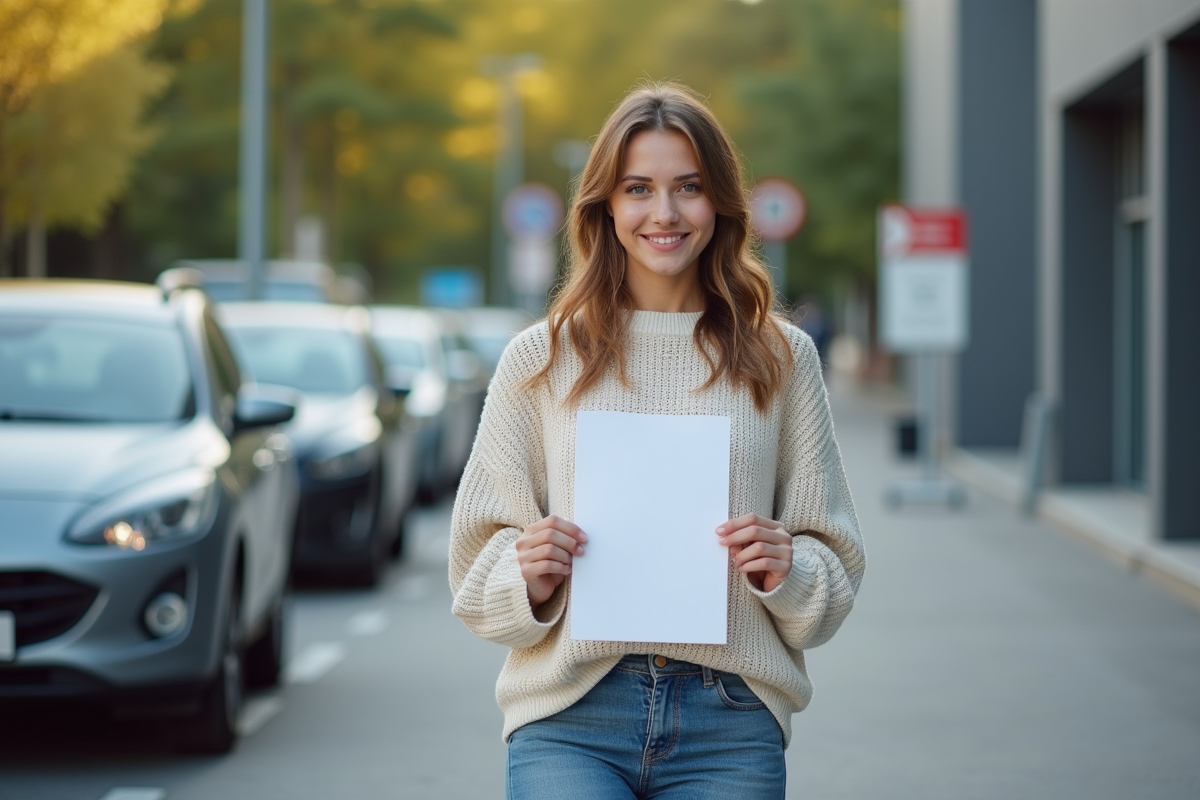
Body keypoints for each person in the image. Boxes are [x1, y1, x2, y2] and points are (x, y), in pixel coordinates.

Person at [449, 82, 865, 800]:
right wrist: (531, 574)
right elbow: (475, 573)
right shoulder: (540, 358)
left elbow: (834, 568)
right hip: (571, 712)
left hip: (731, 719)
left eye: (689, 188)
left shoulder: (783, 357)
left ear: (722, 204)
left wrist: (785, 568)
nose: (664, 213)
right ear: (606, 206)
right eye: (638, 188)